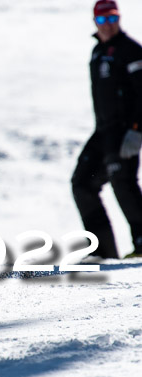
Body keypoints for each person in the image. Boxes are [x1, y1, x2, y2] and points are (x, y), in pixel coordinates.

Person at [72, 0, 142, 259]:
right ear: (95, 22)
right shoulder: (98, 52)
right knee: (82, 184)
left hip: (125, 131)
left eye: (112, 18)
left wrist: (137, 130)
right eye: (102, 20)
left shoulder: (131, 50)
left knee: (123, 183)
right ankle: (103, 251)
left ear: (119, 19)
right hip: (103, 131)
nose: (108, 25)